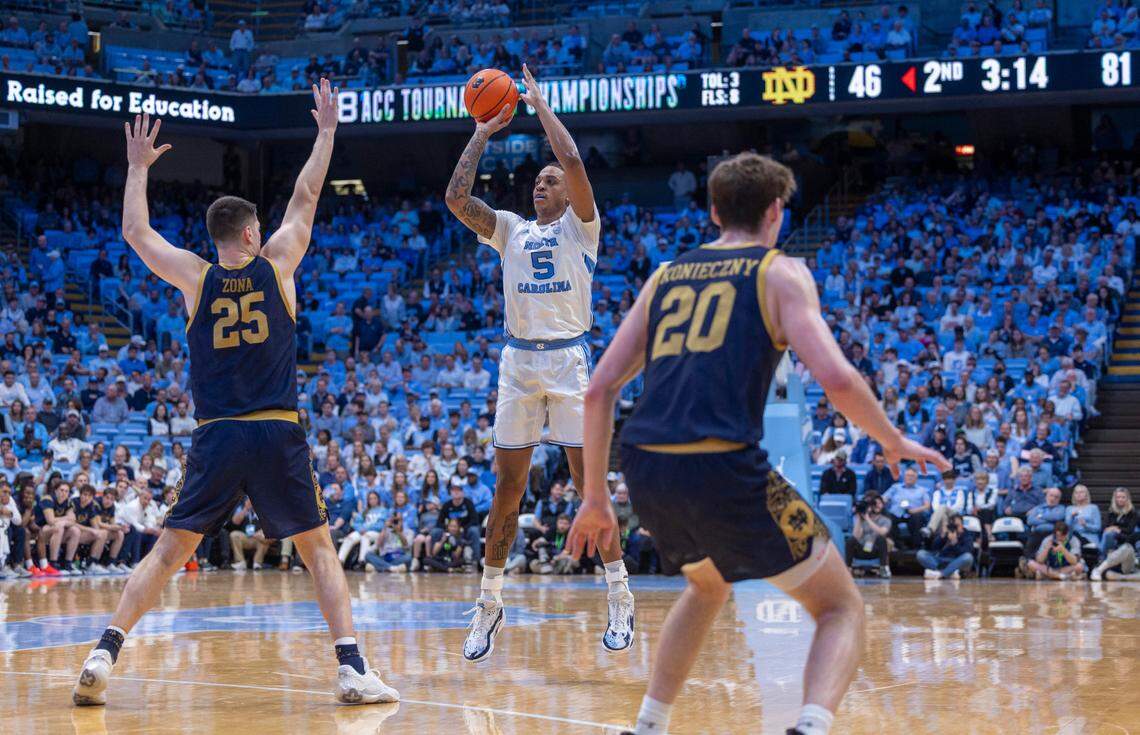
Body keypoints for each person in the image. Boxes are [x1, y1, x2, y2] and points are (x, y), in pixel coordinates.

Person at [565, 152, 948, 735]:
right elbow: (838, 378)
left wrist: (595, 498)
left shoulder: (665, 276)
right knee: (840, 606)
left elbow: (598, 392)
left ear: (714, 211)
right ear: (776, 211)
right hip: (720, 461)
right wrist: (891, 440)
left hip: (646, 465)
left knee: (707, 583)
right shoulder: (780, 272)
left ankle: (648, 725)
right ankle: (811, 726)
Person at [73, 83, 398, 708]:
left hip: (217, 433)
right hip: (276, 429)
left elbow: (136, 232)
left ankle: (103, 650)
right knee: (318, 550)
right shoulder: (277, 265)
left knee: (170, 551)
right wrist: (327, 132)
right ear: (252, 233)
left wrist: (138, 168)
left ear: (218, 236)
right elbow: (305, 195)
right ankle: (353, 669)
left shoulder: (195, 277)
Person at [445, 63, 633, 662]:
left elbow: (574, 163)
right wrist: (482, 130)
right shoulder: (509, 230)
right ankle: (489, 602)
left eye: (547, 182)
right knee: (508, 491)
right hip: (519, 367)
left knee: (587, 488)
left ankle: (620, 594)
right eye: (536, 182)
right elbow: (455, 199)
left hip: (570, 364)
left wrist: (540, 105)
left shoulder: (584, 230)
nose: (540, 186)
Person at [844, 492, 891, 577]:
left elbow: (882, 532)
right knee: (850, 540)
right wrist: (858, 518)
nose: (877, 506)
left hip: (875, 550)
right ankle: (848, 569)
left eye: (879, 503)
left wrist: (868, 519)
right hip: (861, 549)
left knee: (881, 539)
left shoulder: (885, 520)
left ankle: (883, 568)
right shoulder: (862, 519)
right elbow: (856, 536)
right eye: (874, 504)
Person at [915, 513, 974, 579]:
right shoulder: (946, 533)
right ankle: (949, 573)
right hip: (940, 561)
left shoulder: (967, 535)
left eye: (957, 525)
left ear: (962, 525)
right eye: (953, 525)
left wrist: (954, 543)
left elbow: (966, 552)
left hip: (956, 561)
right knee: (921, 554)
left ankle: (941, 574)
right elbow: (934, 548)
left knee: (968, 557)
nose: (954, 528)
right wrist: (942, 536)